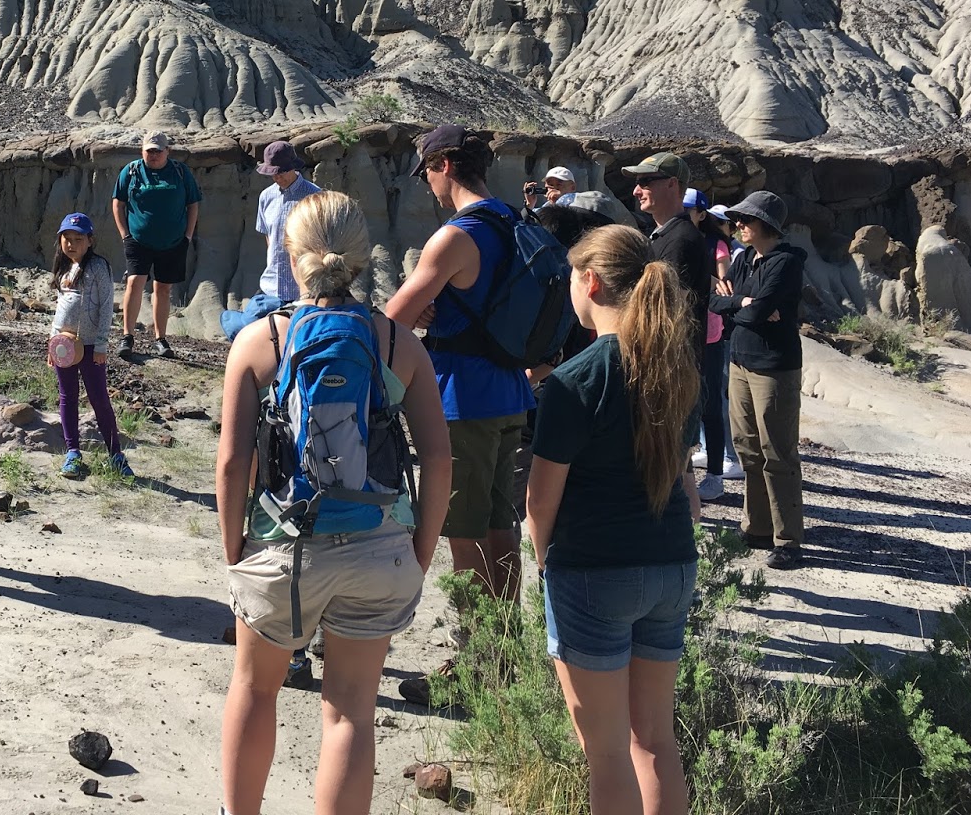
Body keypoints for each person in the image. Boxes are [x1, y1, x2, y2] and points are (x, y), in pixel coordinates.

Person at [217, 191, 452, 815]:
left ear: (290, 256)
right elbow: (438, 457)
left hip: (283, 545)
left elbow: (234, 462)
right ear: (361, 256)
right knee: (350, 709)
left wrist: (235, 549)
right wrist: (419, 551)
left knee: (255, 688)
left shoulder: (261, 339)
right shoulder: (399, 343)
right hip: (379, 545)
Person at [526, 225, 701, 815]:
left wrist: (545, 564)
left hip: (594, 571)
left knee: (605, 753)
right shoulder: (677, 368)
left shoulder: (574, 380)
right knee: (655, 740)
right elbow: (686, 483)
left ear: (591, 281)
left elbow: (539, 502)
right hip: (672, 562)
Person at [385, 125, 534, 606]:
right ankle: (504, 633)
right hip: (511, 392)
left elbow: (393, 319)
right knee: (501, 524)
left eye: (426, 172)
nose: (427, 184)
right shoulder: (515, 221)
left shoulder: (457, 235)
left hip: (463, 399)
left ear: (444, 166)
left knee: (463, 531)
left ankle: (474, 642)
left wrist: (421, 311)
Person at [709, 191, 806, 570]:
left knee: (778, 453)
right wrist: (743, 304)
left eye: (746, 220)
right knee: (748, 450)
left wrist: (747, 306)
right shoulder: (744, 259)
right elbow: (715, 301)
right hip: (740, 362)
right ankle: (757, 528)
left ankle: (788, 540)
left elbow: (757, 311)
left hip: (774, 368)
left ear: (766, 224)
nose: (738, 226)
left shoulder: (786, 262)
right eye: (738, 219)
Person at [621, 152, 707, 514]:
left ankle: (682, 543)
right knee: (679, 473)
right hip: (672, 373)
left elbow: (664, 318)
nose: (637, 189)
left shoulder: (679, 241)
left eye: (646, 181)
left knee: (670, 477)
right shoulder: (666, 236)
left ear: (672, 185)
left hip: (670, 377)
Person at [47, 212, 131, 480]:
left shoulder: (98, 267)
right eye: (67, 239)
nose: (72, 244)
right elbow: (60, 309)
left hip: (92, 344)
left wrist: (102, 344)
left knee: (98, 398)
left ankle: (116, 455)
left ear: (90, 241)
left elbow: (106, 307)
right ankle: (73, 452)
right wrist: (52, 341)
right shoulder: (64, 267)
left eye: (78, 239)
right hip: (64, 344)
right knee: (67, 396)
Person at [220, 140, 321, 341]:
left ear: (293, 167)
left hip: (303, 290)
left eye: (280, 172)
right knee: (244, 333)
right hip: (271, 287)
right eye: (272, 173)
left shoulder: (314, 196)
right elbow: (269, 238)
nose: (276, 177)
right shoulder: (266, 197)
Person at [112, 131, 200, 359]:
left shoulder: (180, 172)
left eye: (158, 151)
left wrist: (187, 236)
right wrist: (125, 235)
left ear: (167, 151)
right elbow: (118, 203)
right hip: (138, 241)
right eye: (149, 151)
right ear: (142, 151)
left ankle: (160, 339)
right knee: (134, 282)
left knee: (163, 288)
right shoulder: (131, 171)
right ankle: (127, 336)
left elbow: (193, 203)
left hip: (173, 243)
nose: (153, 155)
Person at [685, 190, 742, 494]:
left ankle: (718, 472)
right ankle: (703, 460)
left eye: (688, 209)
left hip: (709, 330)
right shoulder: (682, 238)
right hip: (686, 330)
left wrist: (699, 277)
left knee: (712, 401)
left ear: (701, 214)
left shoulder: (715, 244)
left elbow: (724, 286)